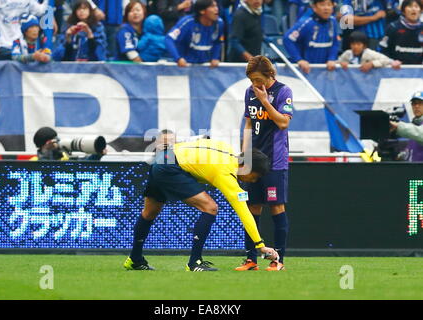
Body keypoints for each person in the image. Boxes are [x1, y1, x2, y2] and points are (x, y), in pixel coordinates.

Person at [123, 137, 279, 271]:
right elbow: (243, 211)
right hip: (170, 167)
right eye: (255, 176)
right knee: (210, 208)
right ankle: (194, 263)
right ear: (246, 167)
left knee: (149, 212)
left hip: (163, 158)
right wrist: (260, 245)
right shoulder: (225, 172)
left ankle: (135, 259)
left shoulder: (228, 150)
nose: (254, 181)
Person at [235, 55, 293, 272]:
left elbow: (283, 123)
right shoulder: (250, 93)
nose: (254, 84)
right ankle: (251, 259)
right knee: (252, 208)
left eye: (258, 79)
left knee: (276, 207)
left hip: (274, 161)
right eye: (251, 80)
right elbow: (249, 124)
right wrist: (244, 155)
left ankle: (278, 260)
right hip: (254, 160)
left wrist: (265, 101)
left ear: (270, 75)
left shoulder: (283, 91)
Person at [283, 0, 339, 74]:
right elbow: (287, 39)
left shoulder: (333, 21)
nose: (326, 8)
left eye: (329, 5)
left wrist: (332, 58)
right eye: (322, 5)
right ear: (314, 7)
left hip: (324, 71)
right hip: (305, 71)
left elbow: (335, 42)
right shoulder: (306, 22)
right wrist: (299, 59)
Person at [165, 0, 224, 67]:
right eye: (212, 6)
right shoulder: (187, 22)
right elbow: (168, 39)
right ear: (202, 11)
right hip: (184, 66)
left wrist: (215, 57)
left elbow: (218, 42)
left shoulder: (219, 23)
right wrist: (178, 58)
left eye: (216, 6)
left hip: (204, 67)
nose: (216, 9)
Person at [379, 0, 423, 65]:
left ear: (421, 11)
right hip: (395, 70)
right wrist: (390, 61)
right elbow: (383, 49)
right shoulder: (393, 27)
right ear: (403, 11)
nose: (413, 9)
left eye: (416, 7)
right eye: (410, 6)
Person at [390, 91, 423, 162]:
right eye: (414, 104)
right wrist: (401, 155)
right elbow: (411, 152)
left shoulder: (413, 129)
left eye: (420, 103)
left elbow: (420, 133)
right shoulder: (414, 125)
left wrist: (398, 126)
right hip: (414, 171)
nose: (416, 106)